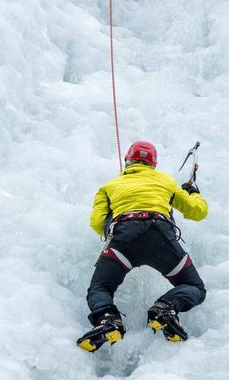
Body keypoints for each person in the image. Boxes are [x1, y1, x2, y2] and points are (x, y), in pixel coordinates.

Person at [77, 141, 208, 352]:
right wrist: (192, 192)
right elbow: (197, 212)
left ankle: (108, 319)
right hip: (160, 236)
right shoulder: (166, 181)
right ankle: (165, 308)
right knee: (195, 287)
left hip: (124, 236)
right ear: (153, 164)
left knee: (100, 288)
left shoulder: (109, 187)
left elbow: (97, 223)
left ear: (128, 161)